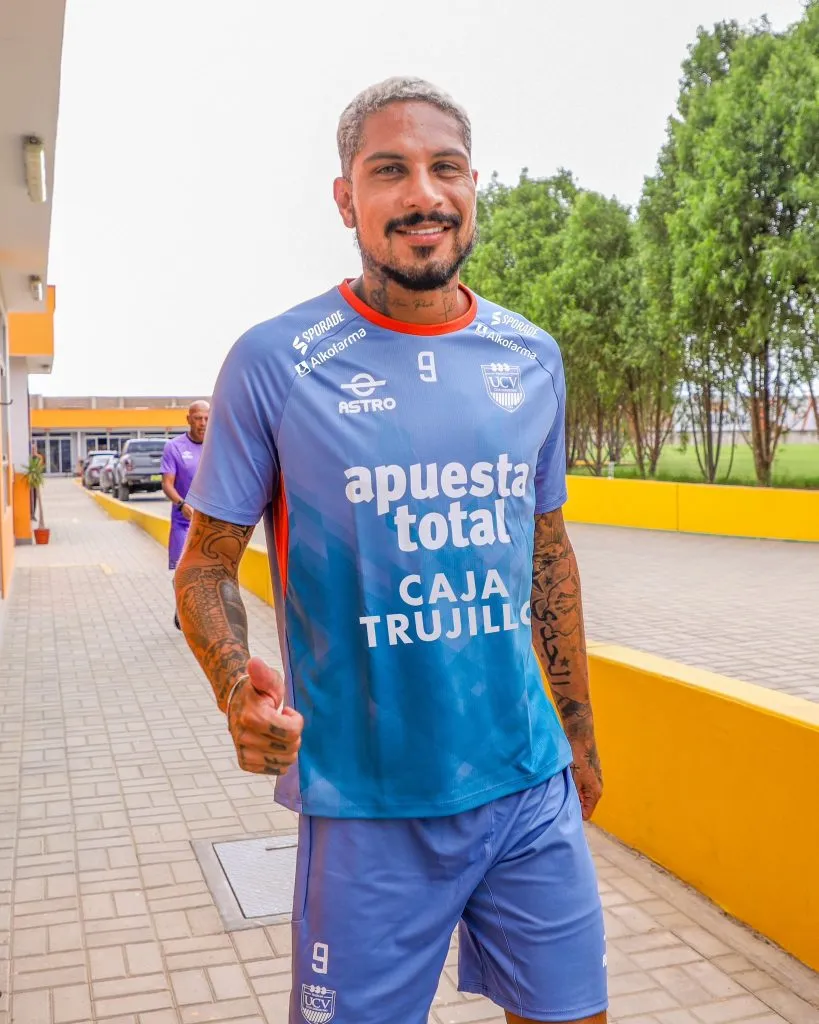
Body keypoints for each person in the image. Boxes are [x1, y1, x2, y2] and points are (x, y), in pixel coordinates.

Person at [177, 78, 607, 1024]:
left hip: (528, 791)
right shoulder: (275, 359)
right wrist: (230, 688)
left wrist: (576, 734)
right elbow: (204, 563)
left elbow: (548, 553)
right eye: (389, 171)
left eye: (443, 167)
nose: (423, 193)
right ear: (345, 199)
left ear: (472, 185)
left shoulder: (531, 355)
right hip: (367, 807)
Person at [161, 400, 209, 628]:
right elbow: (167, 484)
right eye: (198, 418)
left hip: (210, 523)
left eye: (207, 418)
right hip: (183, 522)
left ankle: (197, 613)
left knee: (206, 572)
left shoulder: (216, 446)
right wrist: (181, 504)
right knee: (181, 572)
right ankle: (182, 610)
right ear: (188, 419)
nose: (203, 423)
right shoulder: (175, 447)